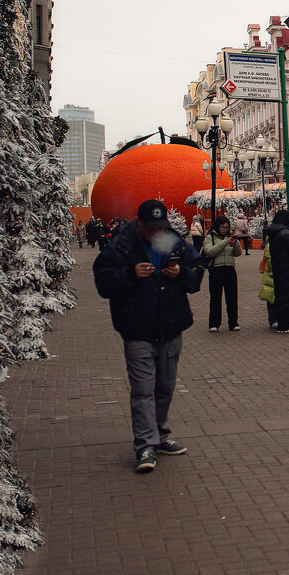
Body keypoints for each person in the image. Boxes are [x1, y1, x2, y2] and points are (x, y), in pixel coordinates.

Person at [92, 199, 204, 473]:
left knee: (164, 387)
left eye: (160, 227)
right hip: (137, 328)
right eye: (151, 227)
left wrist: (180, 274)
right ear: (138, 223)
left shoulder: (171, 241)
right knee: (143, 391)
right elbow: (103, 283)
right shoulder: (122, 245)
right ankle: (145, 445)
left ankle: (160, 435)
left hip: (170, 326)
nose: (156, 232)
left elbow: (196, 276)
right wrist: (130, 274)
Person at [202, 216, 242, 330]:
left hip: (229, 269)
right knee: (215, 297)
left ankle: (233, 323)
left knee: (232, 298)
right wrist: (224, 242)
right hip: (216, 269)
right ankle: (214, 323)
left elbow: (238, 253)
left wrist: (235, 243)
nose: (225, 229)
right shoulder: (210, 237)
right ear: (217, 226)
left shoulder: (229, 237)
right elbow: (209, 251)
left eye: (227, 227)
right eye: (223, 227)